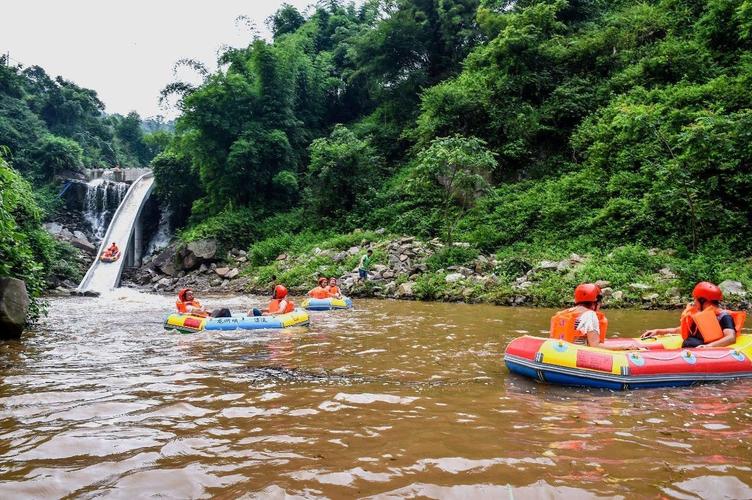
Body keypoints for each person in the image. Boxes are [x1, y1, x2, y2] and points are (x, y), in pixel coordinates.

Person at [642, 282, 745, 348]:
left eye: (695, 299)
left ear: (702, 300)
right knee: (690, 342)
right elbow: (680, 329)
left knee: (691, 342)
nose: (693, 302)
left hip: (708, 351)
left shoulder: (724, 316)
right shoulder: (699, 315)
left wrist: (709, 347)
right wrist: (658, 331)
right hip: (693, 347)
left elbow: (730, 337)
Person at [550, 283, 637, 350]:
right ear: (595, 302)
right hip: (577, 355)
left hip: (561, 351)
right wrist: (623, 347)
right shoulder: (590, 315)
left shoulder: (565, 313)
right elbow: (595, 345)